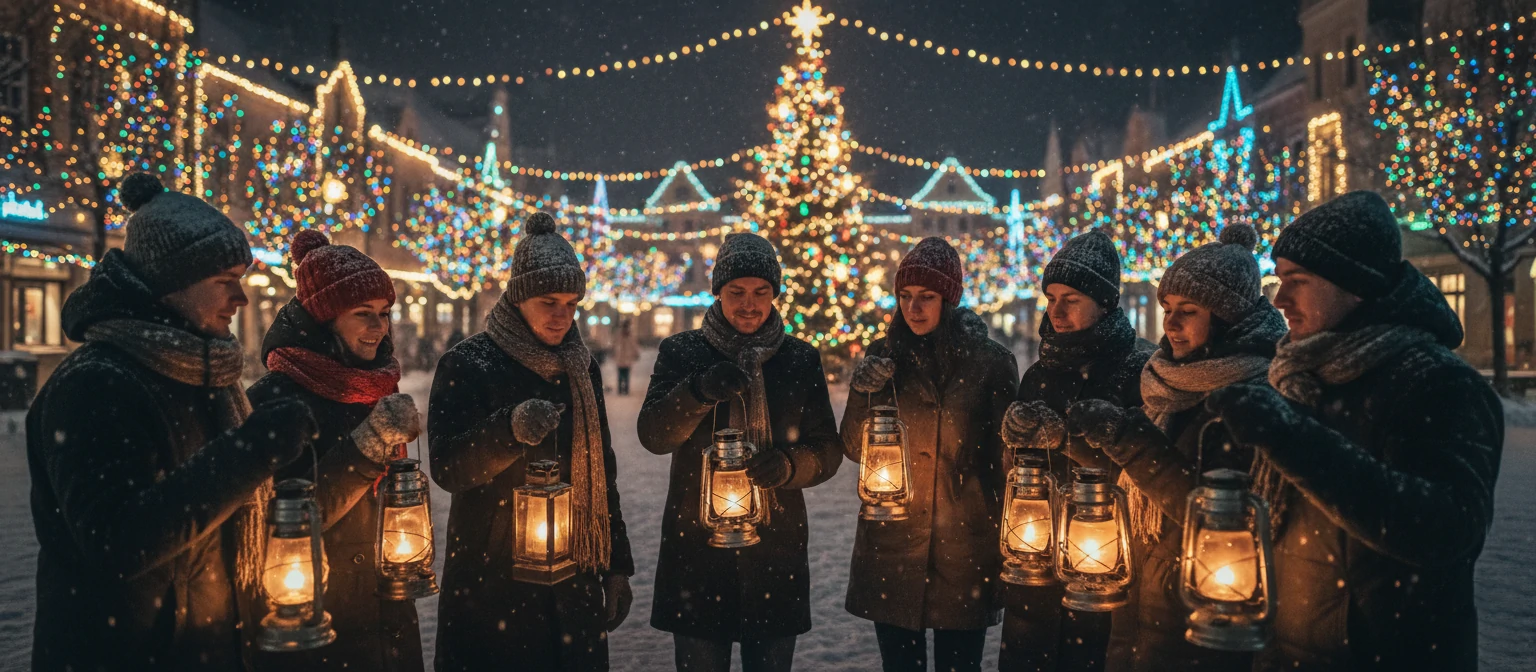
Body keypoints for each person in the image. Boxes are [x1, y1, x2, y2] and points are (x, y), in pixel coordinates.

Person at [27, 173, 316, 670]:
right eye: (225, 282)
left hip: (209, 649)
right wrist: (252, 450)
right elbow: (119, 539)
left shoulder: (206, 374)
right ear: (170, 285)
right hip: (124, 655)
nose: (241, 299)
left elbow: (213, 514)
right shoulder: (96, 384)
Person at [1202, 192, 1502, 671]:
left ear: (1354, 285)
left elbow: (1446, 527)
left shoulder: (1438, 384)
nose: (1280, 300)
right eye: (1279, 281)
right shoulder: (1296, 375)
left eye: (1297, 282)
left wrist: (1289, 439)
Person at [1060, 224, 1287, 671]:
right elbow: (1132, 477)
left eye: (1189, 310)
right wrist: (1065, 441)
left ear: (1226, 318)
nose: (1171, 324)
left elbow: (1214, 513)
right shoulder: (1168, 385)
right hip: (1145, 607)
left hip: (1199, 618)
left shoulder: (1253, 396)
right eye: (1168, 308)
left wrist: (1125, 437)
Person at [429, 212, 633, 671]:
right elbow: (447, 468)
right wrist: (508, 431)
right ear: (519, 297)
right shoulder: (468, 365)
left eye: (571, 303)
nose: (563, 316)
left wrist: (615, 564)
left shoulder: (581, 368)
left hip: (574, 577)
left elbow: (603, 469)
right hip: (492, 581)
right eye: (549, 301)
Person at [637, 232, 842, 672]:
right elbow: (654, 435)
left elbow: (827, 447)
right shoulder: (683, 353)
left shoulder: (798, 358)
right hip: (697, 554)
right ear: (718, 293)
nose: (749, 304)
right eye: (737, 292)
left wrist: (789, 465)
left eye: (760, 292)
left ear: (775, 294)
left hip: (775, 551)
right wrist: (698, 390)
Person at [246, 230, 425, 671]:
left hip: (388, 615)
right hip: (320, 623)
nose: (378, 327)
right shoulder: (276, 399)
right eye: (363, 314)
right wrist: (369, 446)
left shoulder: (376, 386)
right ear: (324, 319)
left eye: (384, 314)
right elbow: (282, 522)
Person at [840, 237, 1018, 672]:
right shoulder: (884, 358)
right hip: (894, 542)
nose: (913, 308)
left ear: (949, 300)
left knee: (960, 665)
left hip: (965, 545)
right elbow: (851, 446)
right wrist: (862, 391)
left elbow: (1008, 460)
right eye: (905, 297)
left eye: (926, 297)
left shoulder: (990, 363)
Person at [999, 230, 1154, 672]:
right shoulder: (1040, 372)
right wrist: (1013, 439)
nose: (1056, 311)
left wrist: (1064, 440)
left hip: (1102, 565)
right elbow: (1017, 469)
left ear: (1104, 303)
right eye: (1051, 297)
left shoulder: (1139, 369)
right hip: (1037, 565)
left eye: (1071, 299)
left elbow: (1143, 470)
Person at [615, 317, 640, 395]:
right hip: (623, 357)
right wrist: (636, 353)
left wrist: (636, 353)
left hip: (623, 357)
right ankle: (624, 389)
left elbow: (633, 345)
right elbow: (634, 345)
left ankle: (622, 389)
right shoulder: (622, 334)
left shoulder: (622, 334)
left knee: (622, 374)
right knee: (625, 374)